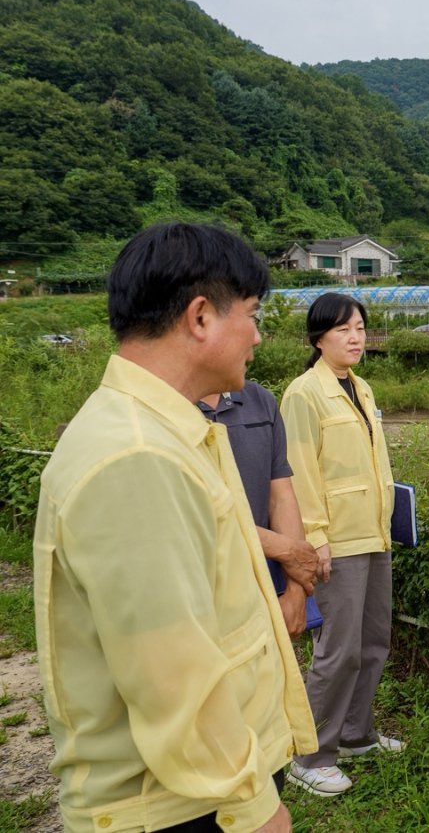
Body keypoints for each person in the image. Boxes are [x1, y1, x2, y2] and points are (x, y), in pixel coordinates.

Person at [33, 222, 317, 833]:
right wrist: (254, 807)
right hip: (181, 805)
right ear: (200, 317)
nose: (259, 336)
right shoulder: (138, 457)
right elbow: (172, 674)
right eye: (253, 314)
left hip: (196, 789)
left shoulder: (161, 432)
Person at [280, 293, 400, 797]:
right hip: (337, 541)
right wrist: (316, 539)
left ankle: (354, 735)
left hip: (373, 533)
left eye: (360, 328)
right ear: (318, 338)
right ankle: (310, 754)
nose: (355, 337)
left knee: (373, 641)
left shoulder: (362, 387)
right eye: (343, 329)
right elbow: (298, 472)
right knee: (338, 650)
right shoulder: (303, 394)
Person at [198, 382, 321, 638]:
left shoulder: (261, 401)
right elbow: (191, 516)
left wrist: (295, 590)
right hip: (200, 595)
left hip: (264, 587)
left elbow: (281, 496)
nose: (255, 340)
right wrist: (282, 548)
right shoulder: (162, 412)